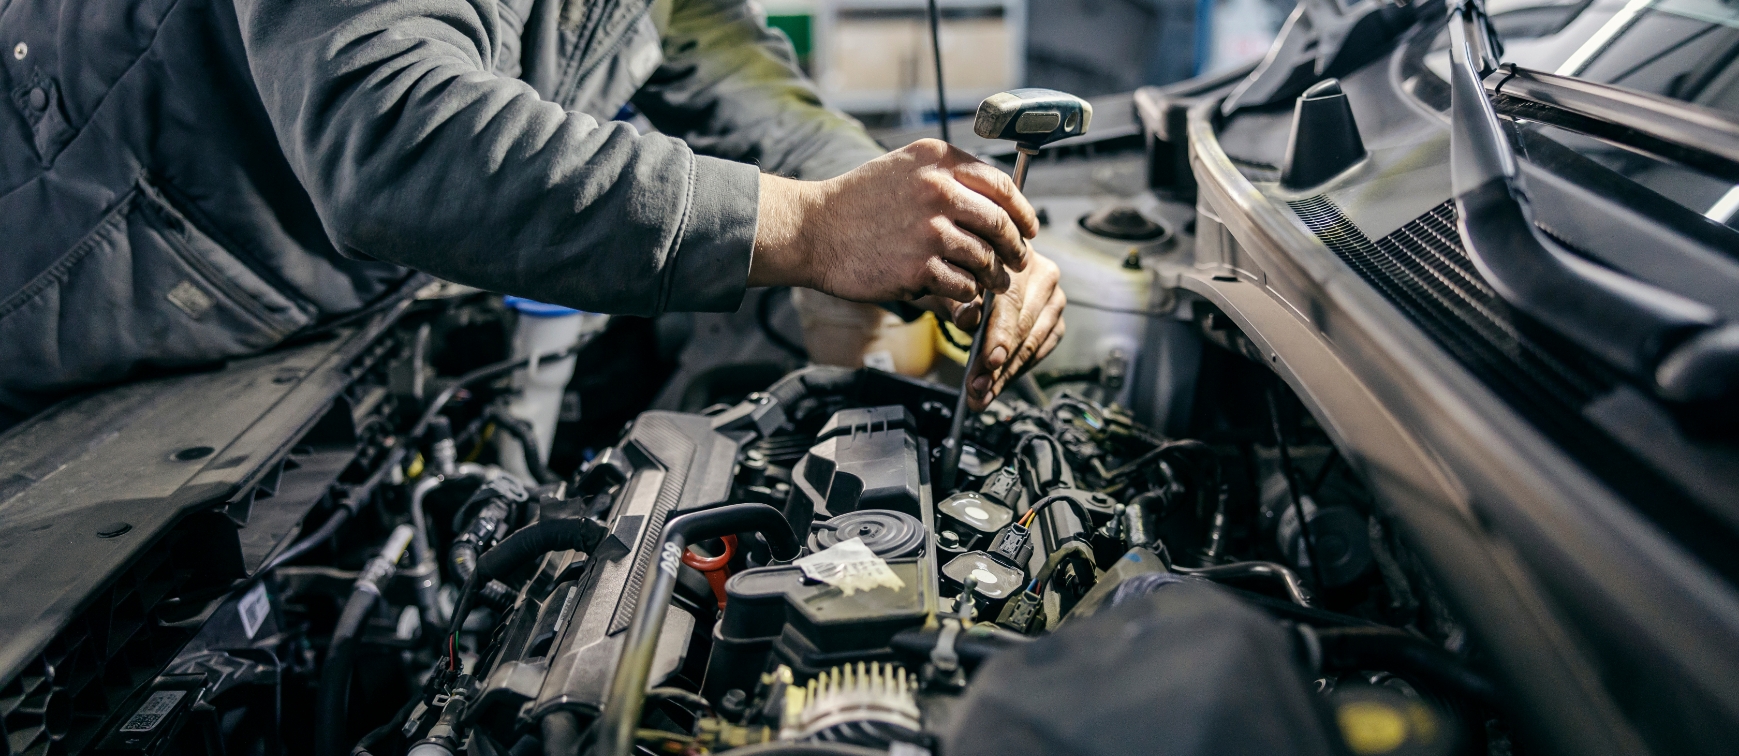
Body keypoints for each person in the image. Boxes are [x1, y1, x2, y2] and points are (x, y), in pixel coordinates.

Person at [0, 0, 1064, 428]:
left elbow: (708, 47)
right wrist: (811, 227)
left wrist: (911, 208)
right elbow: (386, 126)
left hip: (265, 291)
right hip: (62, 272)